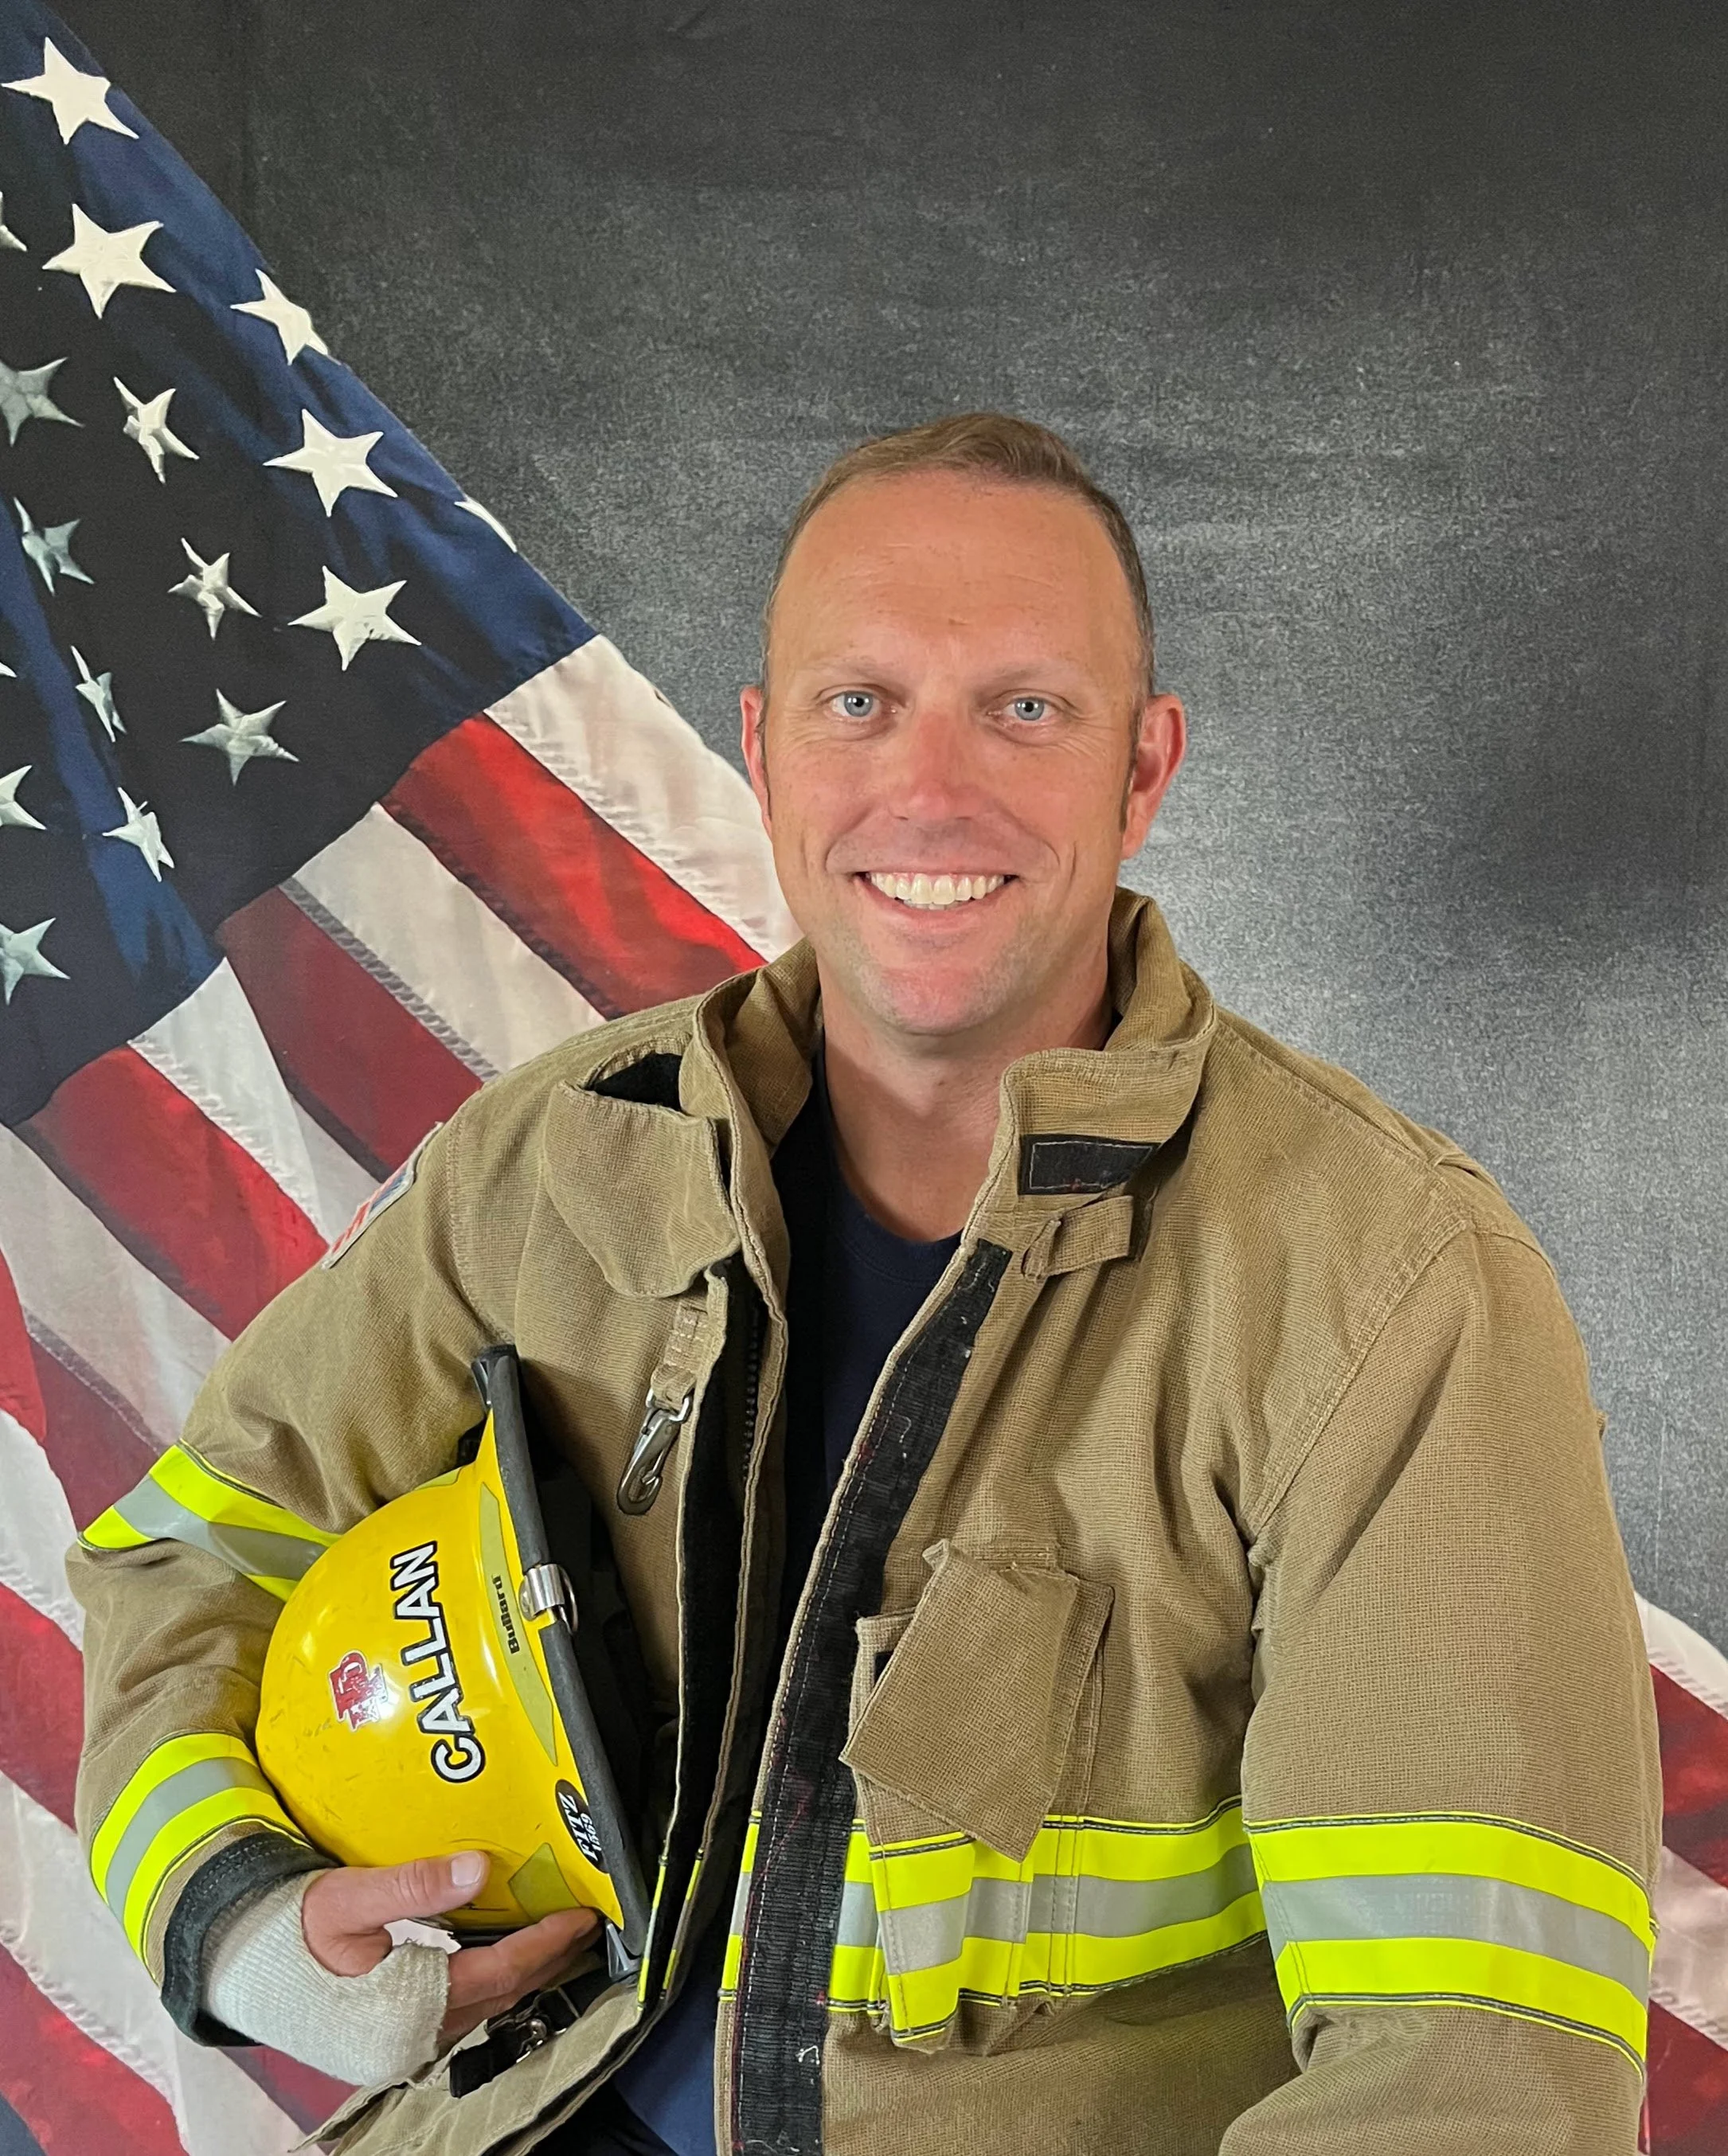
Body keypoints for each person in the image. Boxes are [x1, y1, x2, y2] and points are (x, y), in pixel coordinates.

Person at [70, 413, 1662, 2156]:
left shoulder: (1385, 1289)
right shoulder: (556, 1164)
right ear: (760, 751)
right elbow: (195, 1556)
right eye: (858, 703)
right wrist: (237, 1919)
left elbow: (1471, 2083)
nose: (930, 789)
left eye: (1024, 708)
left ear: (1145, 766)